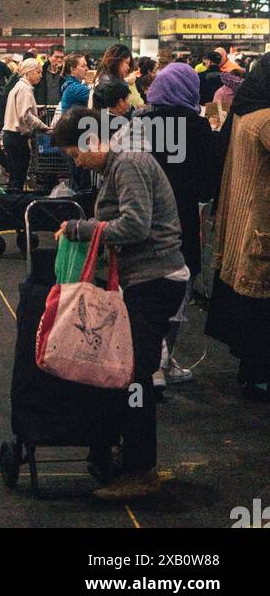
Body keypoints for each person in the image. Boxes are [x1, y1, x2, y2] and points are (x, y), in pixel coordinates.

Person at [52, 104, 187, 500]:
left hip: (155, 280)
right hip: (146, 279)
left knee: (134, 377)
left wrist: (81, 229)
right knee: (131, 373)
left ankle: (140, 472)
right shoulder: (119, 163)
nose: (80, 164)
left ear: (92, 139)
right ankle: (133, 461)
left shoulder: (127, 163)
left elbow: (135, 225)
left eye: (77, 155)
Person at [142, 62, 224, 386]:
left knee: (145, 289)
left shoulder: (141, 124)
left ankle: (152, 362)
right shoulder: (198, 127)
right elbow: (207, 184)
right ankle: (162, 361)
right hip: (181, 219)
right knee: (179, 283)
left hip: (144, 218)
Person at [206, 54, 270, 401]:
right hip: (261, 225)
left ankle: (252, 373)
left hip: (243, 225)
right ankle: (259, 377)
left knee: (253, 311)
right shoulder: (266, 120)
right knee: (263, 311)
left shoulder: (243, 114)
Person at [1, 59, 48, 192]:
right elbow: (24, 115)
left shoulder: (18, 87)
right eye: (38, 72)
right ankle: (15, 207)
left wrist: (36, 112)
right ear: (29, 72)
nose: (40, 75)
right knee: (18, 177)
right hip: (17, 138)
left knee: (14, 177)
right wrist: (42, 125)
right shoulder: (25, 89)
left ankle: (10, 206)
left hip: (11, 136)